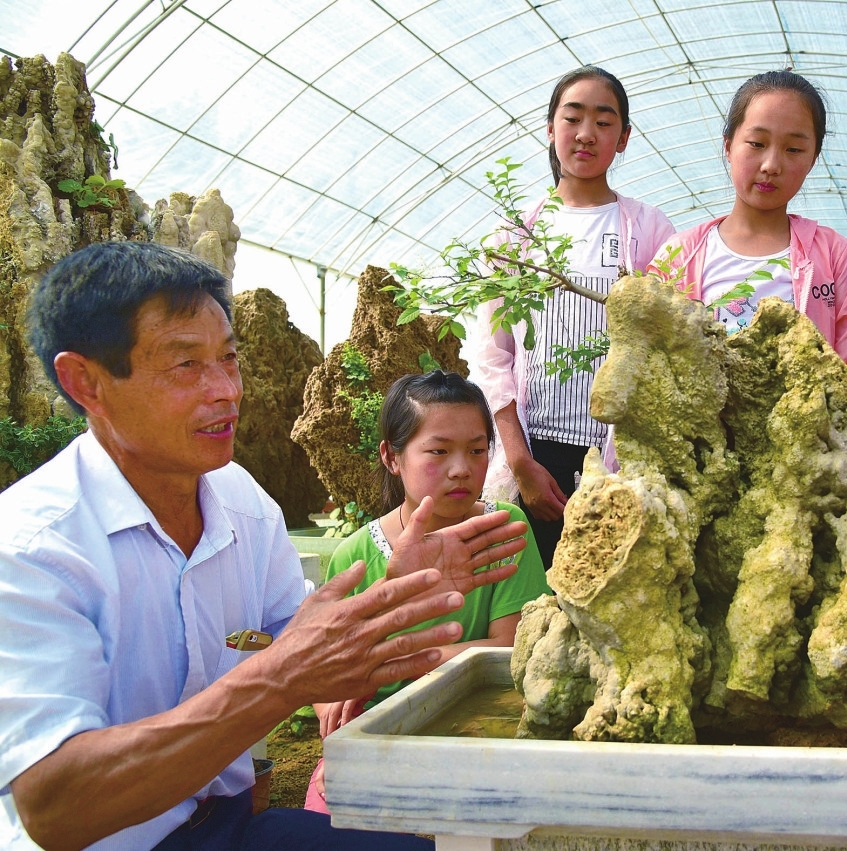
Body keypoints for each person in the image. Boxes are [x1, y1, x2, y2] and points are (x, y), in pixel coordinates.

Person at [0, 241, 527, 851]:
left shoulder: (239, 500)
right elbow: (55, 804)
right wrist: (278, 681)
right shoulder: (32, 547)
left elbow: (288, 637)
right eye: (185, 365)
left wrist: (388, 599)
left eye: (229, 359)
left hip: (225, 827)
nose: (226, 390)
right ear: (85, 381)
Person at [304, 371, 550, 813]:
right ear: (391, 457)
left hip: (476, 719)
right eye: (439, 451)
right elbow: (326, 671)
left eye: (477, 450)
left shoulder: (503, 529)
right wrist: (333, 713)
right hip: (377, 728)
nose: (462, 468)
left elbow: (509, 648)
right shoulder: (356, 555)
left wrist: (386, 663)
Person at [470, 65, 675, 570]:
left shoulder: (649, 231)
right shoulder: (515, 237)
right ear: (550, 128)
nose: (586, 134)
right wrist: (520, 462)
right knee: (528, 600)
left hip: (618, 458)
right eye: (573, 117)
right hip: (535, 451)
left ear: (624, 138)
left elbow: (666, 344)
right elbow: (493, 356)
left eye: (604, 122)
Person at [648, 70, 847, 406]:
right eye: (757, 144)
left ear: (814, 158)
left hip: (801, 448)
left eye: (794, 149)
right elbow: (650, 361)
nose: (772, 164)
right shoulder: (679, 256)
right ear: (728, 145)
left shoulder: (834, 255)